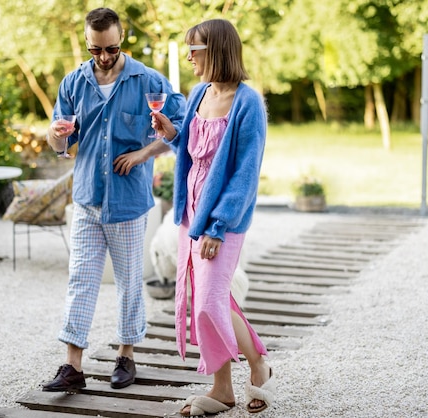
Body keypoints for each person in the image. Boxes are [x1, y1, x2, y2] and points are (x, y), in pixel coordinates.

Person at [42, 7, 185, 392]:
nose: (104, 57)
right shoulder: (73, 83)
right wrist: (55, 135)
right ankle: (72, 366)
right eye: (95, 50)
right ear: (88, 44)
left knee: (127, 282)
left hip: (127, 203)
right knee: (81, 280)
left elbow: (179, 127)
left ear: (122, 40)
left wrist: (142, 154)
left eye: (111, 48)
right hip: (87, 199)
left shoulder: (148, 81)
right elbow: (60, 143)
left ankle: (126, 355)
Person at [151, 19, 275, 416]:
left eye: (195, 49)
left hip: (223, 219)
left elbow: (244, 171)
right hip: (192, 211)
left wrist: (218, 226)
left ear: (217, 50)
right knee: (209, 299)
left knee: (208, 300)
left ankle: (244, 372)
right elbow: (192, 152)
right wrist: (172, 134)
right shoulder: (199, 92)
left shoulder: (248, 102)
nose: (189, 57)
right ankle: (234, 381)